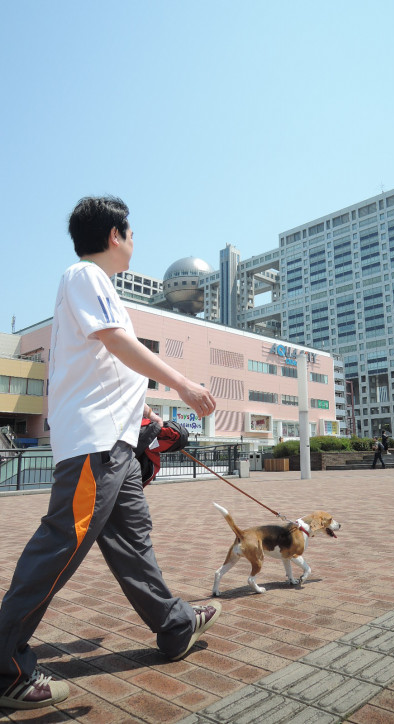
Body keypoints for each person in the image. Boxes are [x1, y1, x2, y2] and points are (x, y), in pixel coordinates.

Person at [0, 197, 221, 711]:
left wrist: (150, 421)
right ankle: (4, 662)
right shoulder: (84, 276)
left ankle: (175, 624)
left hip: (116, 445)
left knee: (132, 542)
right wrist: (184, 384)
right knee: (62, 543)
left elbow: (113, 371)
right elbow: (116, 343)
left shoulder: (99, 289)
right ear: (116, 234)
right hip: (94, 448)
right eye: (132, 233)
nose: (135, 242)